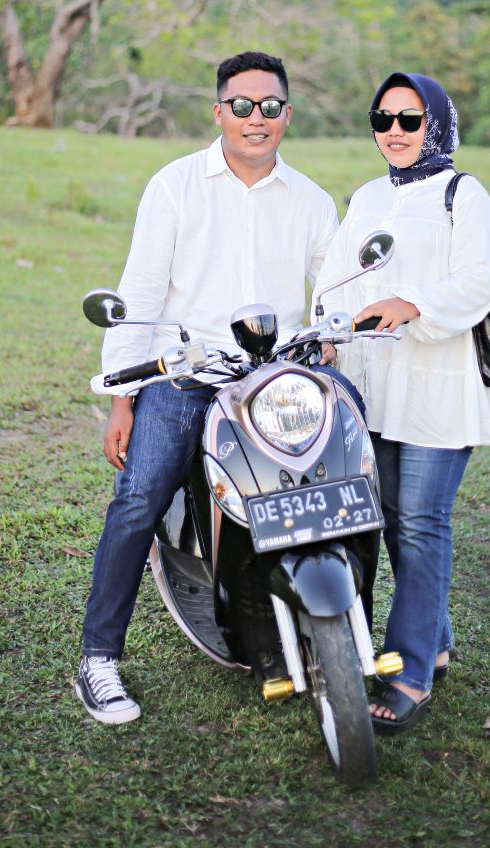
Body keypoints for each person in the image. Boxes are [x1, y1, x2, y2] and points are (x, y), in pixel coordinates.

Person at [76, 51, 341, 724]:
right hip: (188, 374)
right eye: (242, 106)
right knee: (140, 494)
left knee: (336, 480)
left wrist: (332, 334)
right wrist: (121, 399)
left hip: (275, 377)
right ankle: (98, 657)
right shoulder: (174, 186)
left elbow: (336, 290)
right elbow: (139, 293)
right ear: (219, 111)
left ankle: (332, 625)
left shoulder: (312, 201)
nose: (257, 118)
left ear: (288, 114)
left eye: (270, 106)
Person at [312, 72, 490, 735]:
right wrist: (326, 329)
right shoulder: (369, 196)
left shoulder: (463, 194)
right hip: (374, 387)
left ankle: (409, 672)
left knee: (423, 522)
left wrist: (413, 304)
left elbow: (480, 280)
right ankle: (437, 640)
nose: (394, 131)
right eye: (383, 118)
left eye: (409, 118)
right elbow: (336, 277)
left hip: (438, 386)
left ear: (437, 124)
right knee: (395, 522)